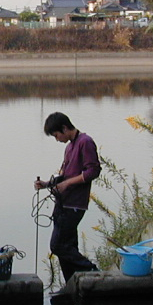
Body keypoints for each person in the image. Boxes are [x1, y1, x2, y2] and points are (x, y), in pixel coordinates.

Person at [33, 112, 101, 282]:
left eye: (56, 135)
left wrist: (68, 184)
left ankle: (91, 270)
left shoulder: (85, 142)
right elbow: (64, 176)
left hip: (75, 204)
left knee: (57, 245)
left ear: (64, 128)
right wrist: (47, 184)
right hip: (62, 203)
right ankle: (73, 282)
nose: (57, 139)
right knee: (68, 246)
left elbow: (93, 171)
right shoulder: (70, 147)